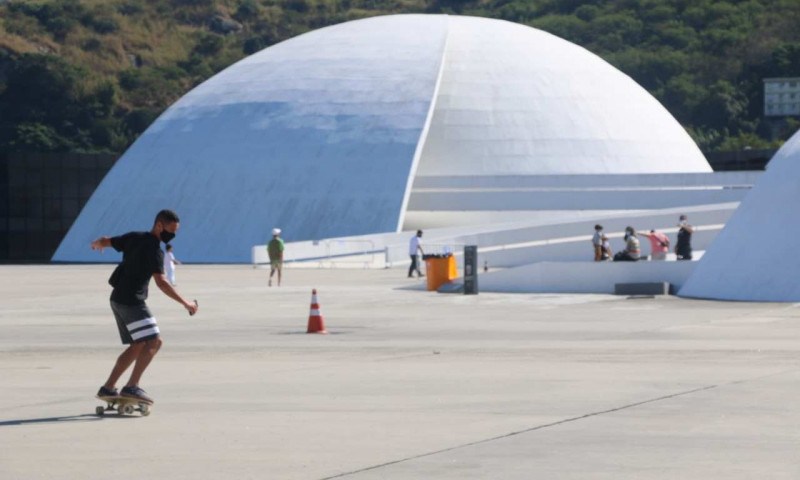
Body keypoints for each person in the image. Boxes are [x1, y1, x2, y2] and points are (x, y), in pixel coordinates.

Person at [91, 209, 198, 404]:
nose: (172, 235)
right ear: (159, 225)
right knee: (154, 341)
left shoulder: (134, 237)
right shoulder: (154, 251)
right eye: (170, 230)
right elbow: (162, 282)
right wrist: (186, 303)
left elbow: (108, 240)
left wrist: (98, 243)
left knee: (138, 344)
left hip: (117, 298)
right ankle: (132, 387)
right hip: (132, 301)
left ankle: (108, 387)